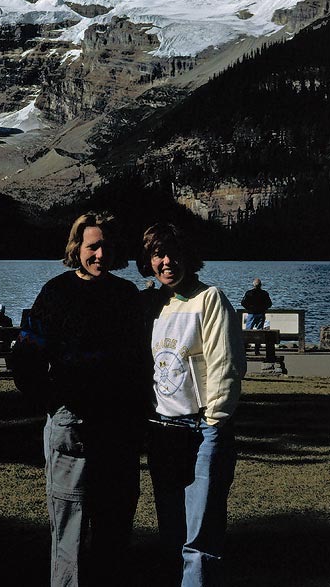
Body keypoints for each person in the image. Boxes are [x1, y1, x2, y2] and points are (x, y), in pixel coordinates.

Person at [12, 211, 149, 587]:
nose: (100, 254)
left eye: (106, 246)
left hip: (119, 431)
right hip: (74, 428)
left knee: (115, 525)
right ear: (77, 248)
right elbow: (25, 357)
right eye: (92, 246)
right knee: (69, 528)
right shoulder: (56, 293)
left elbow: (141, 362)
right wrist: (58, 404)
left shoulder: (125, 296)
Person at [138, 222, 246, 586]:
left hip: (202, 429)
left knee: (200, 534)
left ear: (189, 257)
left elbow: (225, 363)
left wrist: (214, 420)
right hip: (162, 429)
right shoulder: (154, 305)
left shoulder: (209, 299)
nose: (166, 262)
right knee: (172, 529)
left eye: (173, 253)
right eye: (157, 254)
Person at [240, 277, 273, 361]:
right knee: (259, 332)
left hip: (251, 314)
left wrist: (249, 308)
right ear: (261, 285)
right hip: (261, 314)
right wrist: (263, 308)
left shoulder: (249, 293)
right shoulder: (264, 293)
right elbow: (269, 303)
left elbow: (243, 303)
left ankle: (244, 350)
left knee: (248, 331)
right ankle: (257, 350)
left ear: (253, 285)